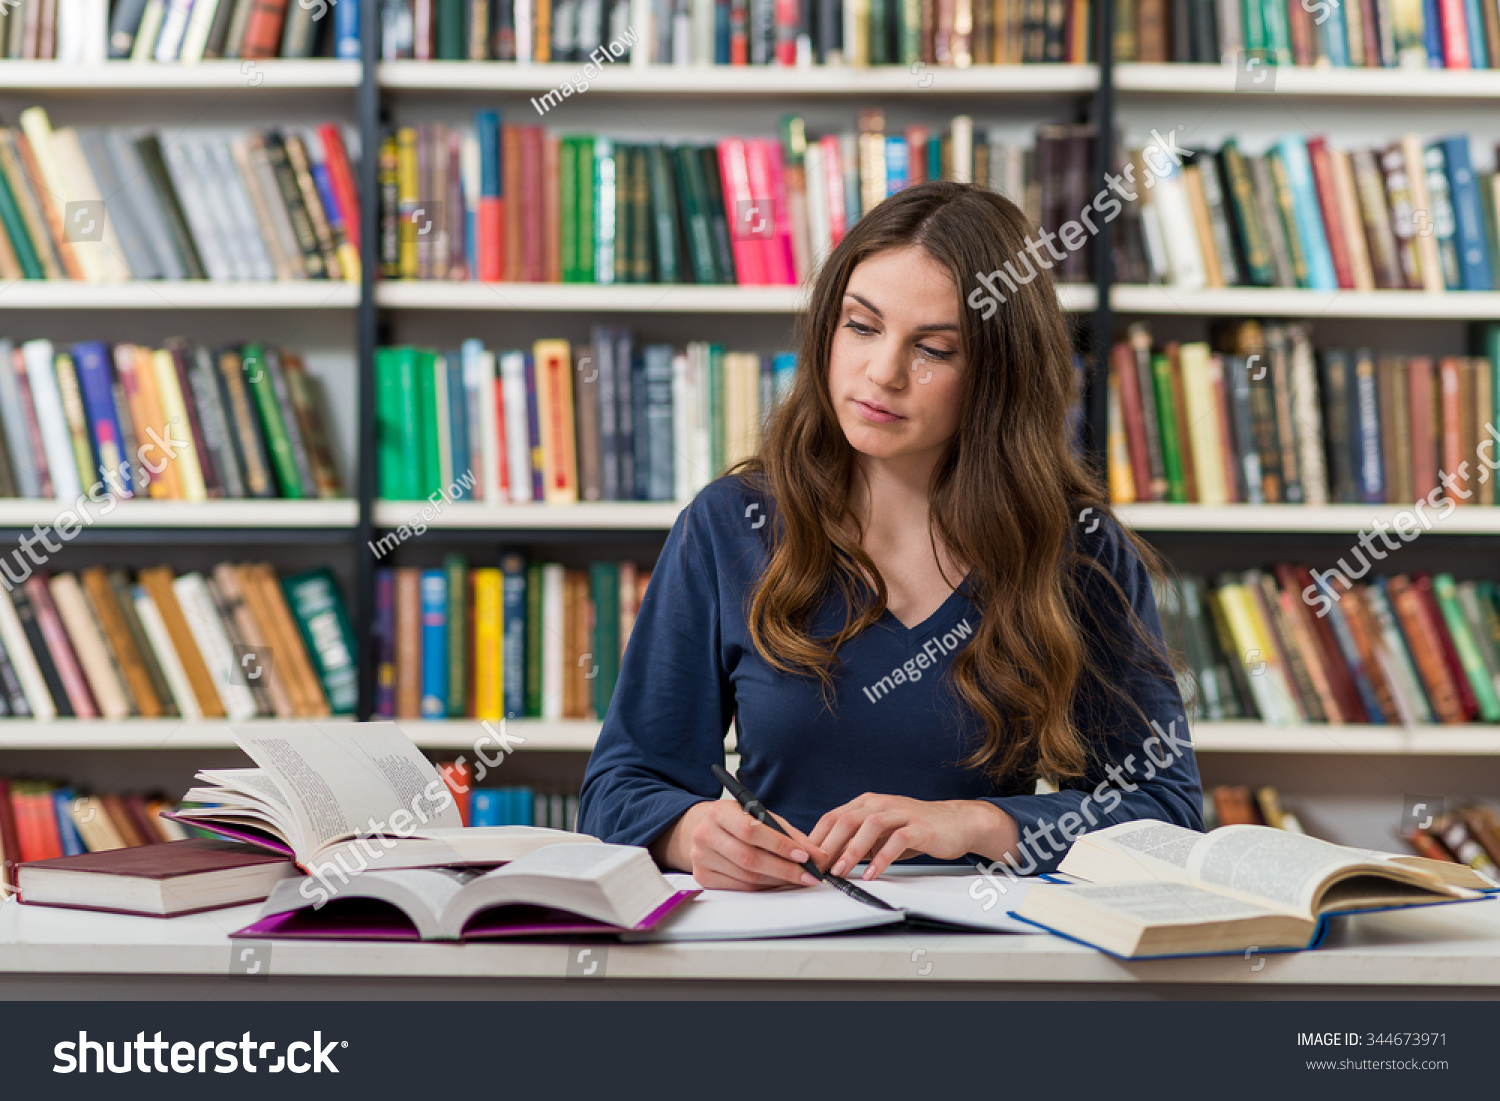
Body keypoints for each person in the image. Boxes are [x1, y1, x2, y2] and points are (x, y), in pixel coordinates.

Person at [577, 179, 1203, 891]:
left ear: (996, 377)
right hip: (774, 943)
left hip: (988, 951)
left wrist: (977, 823)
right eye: (862, 326)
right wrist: (687, 832)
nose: (882, 373)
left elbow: (1168, 815)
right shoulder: (730, 525)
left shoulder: (1078, 550)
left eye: (933, 349)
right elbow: (617, 789)